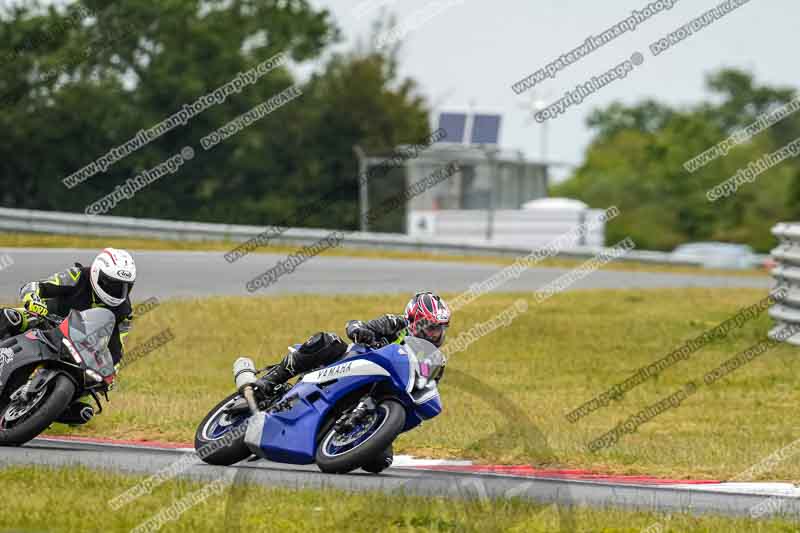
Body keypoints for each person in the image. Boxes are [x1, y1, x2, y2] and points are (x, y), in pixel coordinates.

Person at [250, 291, 451, 471]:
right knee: (327, 342)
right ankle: (271, 380)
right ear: (414, 321)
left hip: (384, 395)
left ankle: (339, 435)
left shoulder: (432, 359)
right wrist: (360, 332)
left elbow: (425, 387)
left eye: (439, 328)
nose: (435, 333)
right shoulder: (394, 324)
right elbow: (354, 324)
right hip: (351, 367)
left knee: (379, 462)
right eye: (431, 327)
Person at [0, 248, 137, 425]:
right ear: (97, 274)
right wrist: (32, 299)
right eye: (113, 284)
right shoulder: (77, 276)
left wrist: (112, 371)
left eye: (126, 286)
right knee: (10, 318)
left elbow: (117, 348)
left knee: (85, 407)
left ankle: (41, 409)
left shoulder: (124, 311)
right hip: (45, 319)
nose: (120, 291)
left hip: (78, 347)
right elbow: (36, 287)